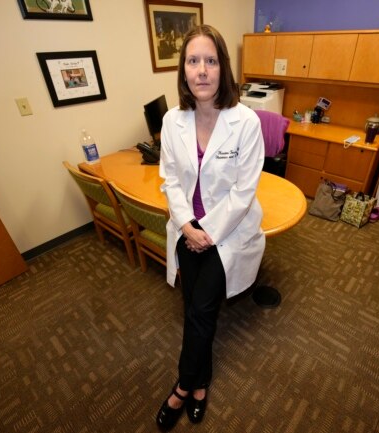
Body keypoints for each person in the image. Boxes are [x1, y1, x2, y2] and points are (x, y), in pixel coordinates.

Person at [156, 24, 266, 431]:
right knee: (192, 308)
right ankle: (202, 382)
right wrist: (186, 225)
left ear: (223, 68)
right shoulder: (172, 120)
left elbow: (243, 191)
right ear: (183, 70)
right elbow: (168, 179)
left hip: (228, 234)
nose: (202, 70)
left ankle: (182, 388)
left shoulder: (246, 122)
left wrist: (209, 234)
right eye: (192, 61)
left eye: (211, 61)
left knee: (201, 311)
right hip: (187, 228)